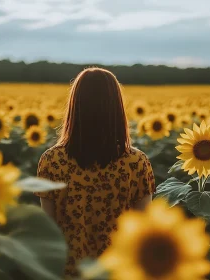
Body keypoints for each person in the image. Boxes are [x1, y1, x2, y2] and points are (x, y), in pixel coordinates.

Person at [34, 67, 155, 277]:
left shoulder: (52, 161)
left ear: (75, 106)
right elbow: (145, 230)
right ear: (116, 107)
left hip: (70, 271)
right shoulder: (137, 163)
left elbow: (48, 233)